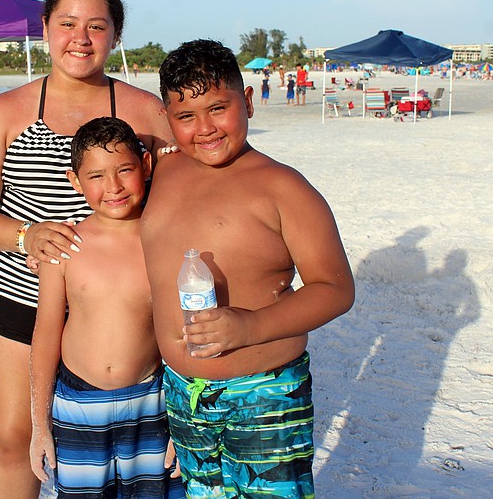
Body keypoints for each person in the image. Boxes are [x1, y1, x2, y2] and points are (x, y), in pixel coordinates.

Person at [0, 0, 172, 499]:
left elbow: (180, 202)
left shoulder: (144, 114)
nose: (81, 37)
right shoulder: (5, 112)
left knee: (124, 444)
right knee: (13, 437)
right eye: (68, 23)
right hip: (21, 299)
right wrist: (25, 236)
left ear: (116, 35)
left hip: (118, 307)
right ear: (45, 27)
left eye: (97, 26)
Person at [140, 39, 355, 498]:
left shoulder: (281, 187)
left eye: (219, 108)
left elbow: (335, 287)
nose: (205, 128)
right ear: (167, 119)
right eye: (185, 116)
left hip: (265, 393)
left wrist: (251, 326)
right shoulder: (162, 173)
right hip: (182, 392)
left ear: (250, 102)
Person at [30, 116, 184, 498]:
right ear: (74, 181)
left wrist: (182, 426)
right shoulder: (64, 245)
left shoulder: (164, 240)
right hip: (78, 406)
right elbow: (47, 330)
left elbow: (182, 333)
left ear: (145, 166)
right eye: (96, 176)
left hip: (152, 403)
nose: (112, 187)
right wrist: (39, 424)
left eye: (125, 170)